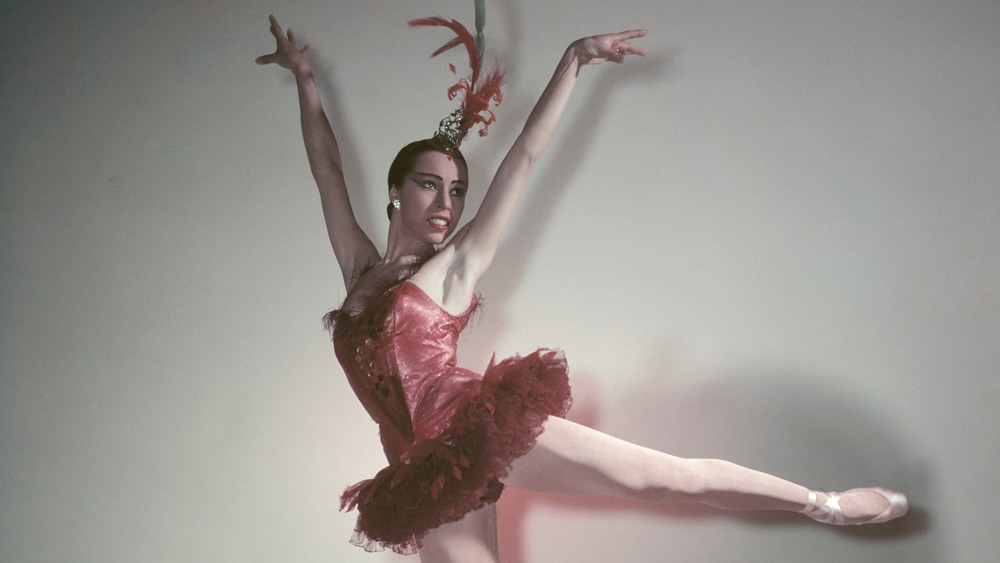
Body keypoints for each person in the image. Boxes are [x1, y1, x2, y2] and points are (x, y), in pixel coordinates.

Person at [256, 13, 907, 562]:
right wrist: (305, 79)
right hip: (424, 470)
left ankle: (825, 504)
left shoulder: (452, 269)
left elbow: (523, 160)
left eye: (457, 191)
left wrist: (573, 60)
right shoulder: (359, 273)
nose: (446, 203)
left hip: (471, 427)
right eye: (430, 184)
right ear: (396, 192)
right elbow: (327, 169)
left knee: (665, 479)